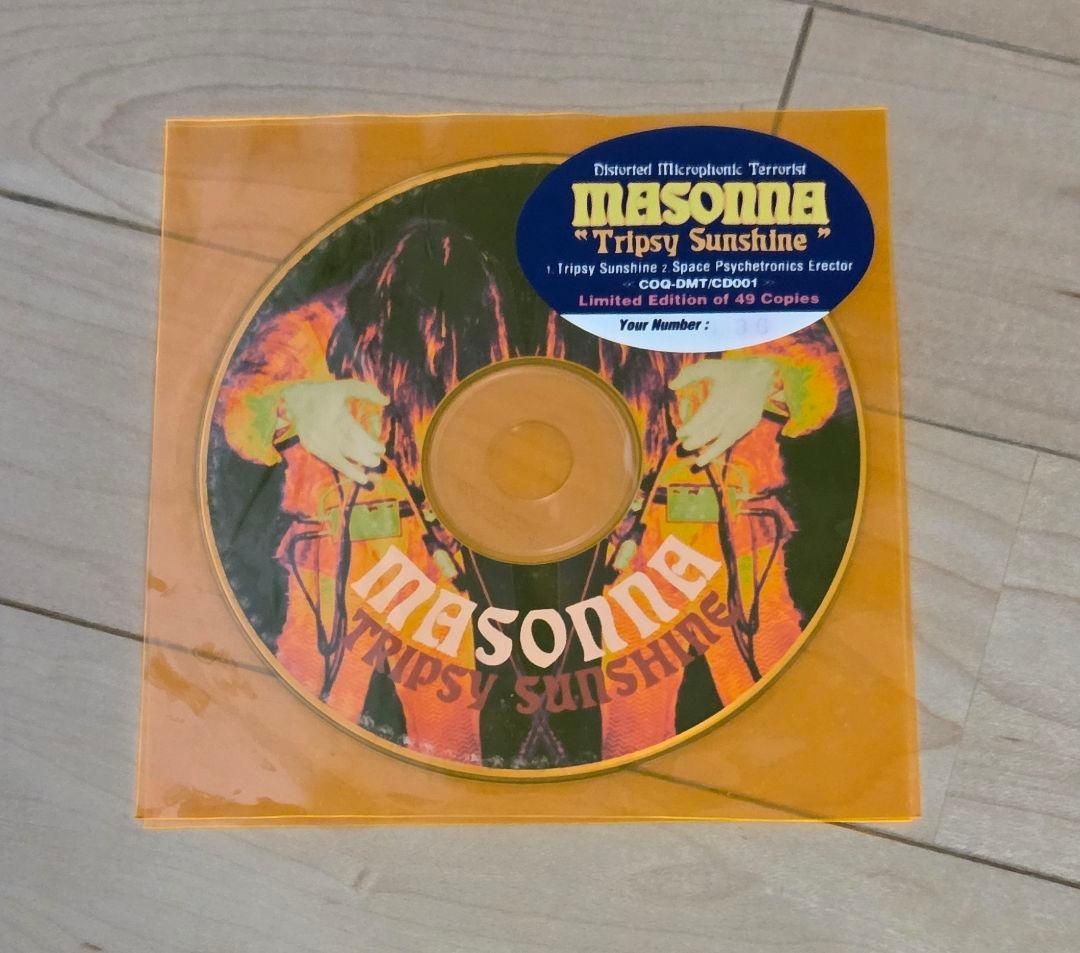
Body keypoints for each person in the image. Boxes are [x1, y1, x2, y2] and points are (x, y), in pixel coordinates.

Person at [215, 220, 509, 762]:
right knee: (304, 727)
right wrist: (295, 406)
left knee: (452, 746)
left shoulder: (470, 338)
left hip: (429, 568)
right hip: (329, 564)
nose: (438, 342)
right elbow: (235, 403)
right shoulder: (311, 330)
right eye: (428, 326)